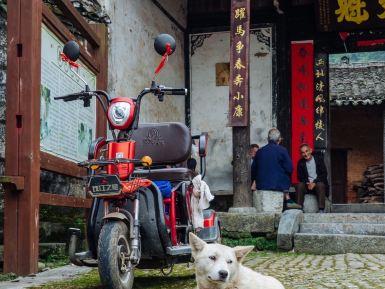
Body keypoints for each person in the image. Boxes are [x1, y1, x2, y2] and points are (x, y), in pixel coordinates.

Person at [253, 128, 301, 209]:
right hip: (278, 185)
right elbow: (290, 168)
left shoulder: (260, 151)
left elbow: (253, 170)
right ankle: (288, 199)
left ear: (268, 139)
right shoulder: (282, 150)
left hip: (261, 185)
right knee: (283, 172)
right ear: (279, 140)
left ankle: (288, 199)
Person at [295, 143, 328, 213]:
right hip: (307, 185)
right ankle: (299, 209)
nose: (305, 154)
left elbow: (324, 174)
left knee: (321, 185)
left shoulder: (319, 159)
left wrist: (314, 182)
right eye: (303, 152)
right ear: (301, 154)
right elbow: (300, 176)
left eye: (306, 151)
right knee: (299, 185)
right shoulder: (300, 163)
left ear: (310, 150)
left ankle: (321, 209)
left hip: (317, 183)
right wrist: (307, 183)